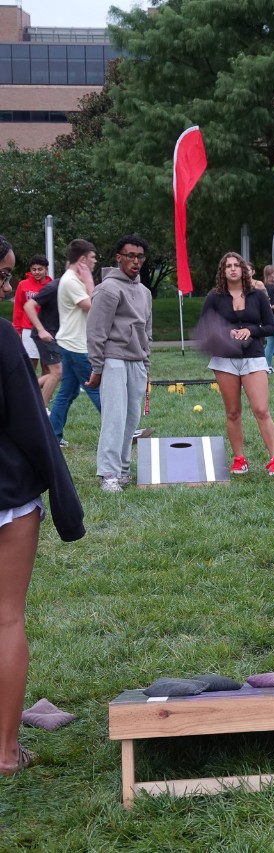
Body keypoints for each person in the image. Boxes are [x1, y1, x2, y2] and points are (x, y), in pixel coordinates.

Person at [0, 235, 85, 777]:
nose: (7, 284)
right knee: (6, 618)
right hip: (8, 496)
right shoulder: (5, 341)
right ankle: (6, 753)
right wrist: (65, 499)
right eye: (3, 273)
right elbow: (35, 429)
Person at [199, 252, 274, 477]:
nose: (233, 269)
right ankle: (239, 459)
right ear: (223, 271)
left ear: (243, 269)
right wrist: (223, 333)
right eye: (228, 266)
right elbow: (205, 327)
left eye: (236, 265)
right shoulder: (214, 297)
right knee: (233, 412)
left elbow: (271, 327)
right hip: (224, 359)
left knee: (261, 409)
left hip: (253, 358)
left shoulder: (258, 295)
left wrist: (251, 330)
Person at [84, 236, 152, 492]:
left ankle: (123, 470)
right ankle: (108, 474)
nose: (136, 261)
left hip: (137, 361)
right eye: (130, 255)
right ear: (118, 257)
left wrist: (146, 366)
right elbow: (96, 332)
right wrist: (98, 367)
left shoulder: (144, 292)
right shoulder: (107, 289)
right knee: (114, 417)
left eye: (140, 257)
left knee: (131, 420)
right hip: (113, 360)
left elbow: (147, 332)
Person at [49, 240, 101, 447]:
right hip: (76, 346)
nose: (95, 261)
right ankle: (124, 432)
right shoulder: (71, 280)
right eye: (93, 257)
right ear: (82, 259)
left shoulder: (72, 279)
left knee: (67, 392)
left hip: (70, 343)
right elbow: (93, 306)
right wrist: (89, 281)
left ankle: (53, 436)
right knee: (97, 388)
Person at [13, 256, 59, 407]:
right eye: (34, 269)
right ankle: (28, 393)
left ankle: (46, 395)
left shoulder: (51, 286)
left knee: (48, 365)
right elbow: (19, 308)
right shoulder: (23, 285)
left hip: (46, 329)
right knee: (30, 364)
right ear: (30, 270)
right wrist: (17, 329)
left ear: (46, 269)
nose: (37, 272)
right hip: (28, 329)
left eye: (40, 269)